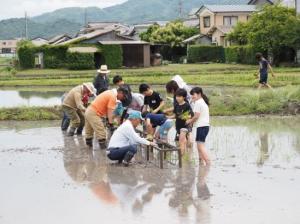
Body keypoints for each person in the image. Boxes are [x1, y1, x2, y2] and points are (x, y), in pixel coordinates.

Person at [186, 87, 210, 166]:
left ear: (199, 94)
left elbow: (196, 116)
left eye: (193, 95)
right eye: (191, 95)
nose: (192, 96)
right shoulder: (202, 101)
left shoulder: (198, 103)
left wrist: (189, 121)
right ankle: (201, 162)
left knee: (200, 146)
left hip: (202, 126)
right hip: (205, 126)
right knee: (200, 145)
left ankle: (208, 164)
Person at [168, 88, 193, 155]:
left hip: (185, 125)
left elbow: (191, 115)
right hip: (178, 125)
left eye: (179, 96)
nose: (177, 98)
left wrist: (184, 117)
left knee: (181, 141)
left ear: (184, 97)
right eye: (176, 96)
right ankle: (188, 153)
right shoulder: (176, 105)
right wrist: (167, 117)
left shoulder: (187, 105)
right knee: (184, 140)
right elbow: (175, 115)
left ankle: (181, 157)